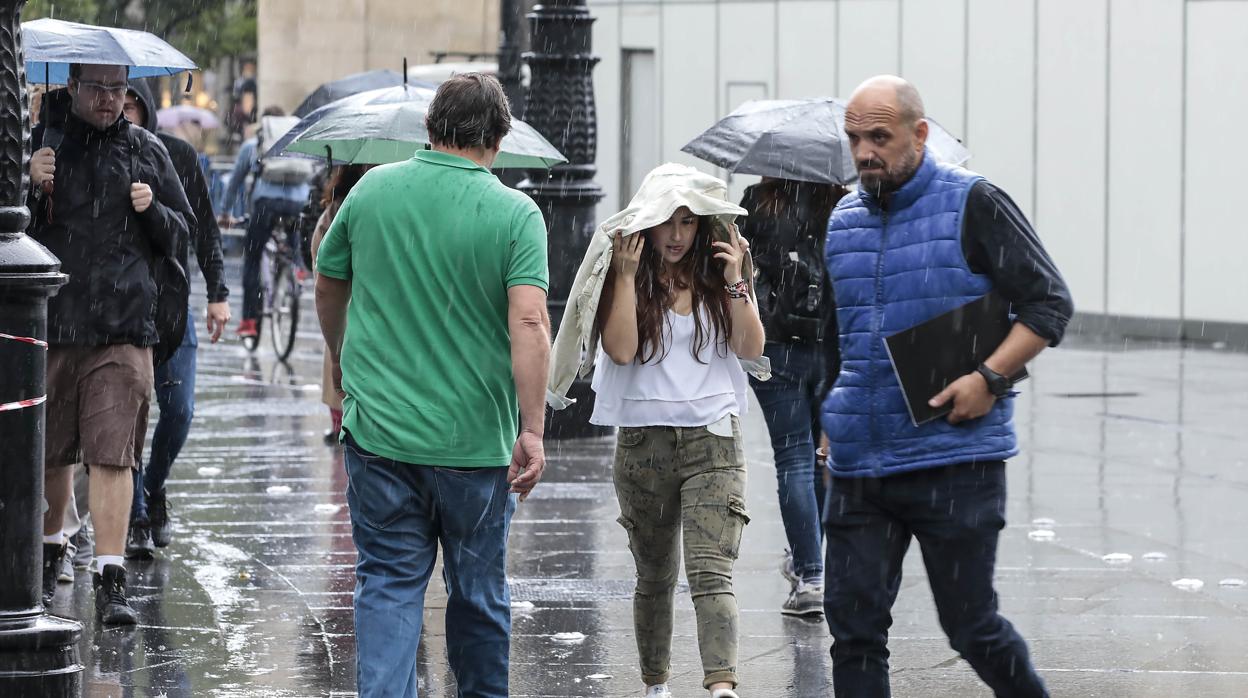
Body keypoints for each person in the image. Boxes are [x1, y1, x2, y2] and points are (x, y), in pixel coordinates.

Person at [820, 75, 1073, 697]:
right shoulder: (842, 219)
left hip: (956, 460)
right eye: (854, 138)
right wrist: (828, 416)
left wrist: (989, 377)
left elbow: (1049, 304)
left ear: (920, 133)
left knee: (970, 625)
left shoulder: (975, 202)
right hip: (860, 468)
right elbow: (840, 336)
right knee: (853, 633)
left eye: (879, 136)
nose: (863, 152)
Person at [314, 73, 550, 698]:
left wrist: (338, 357)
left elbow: (328, 280)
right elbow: (528, 319)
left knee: (389, 584)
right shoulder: (516, 214)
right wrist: (532, 427)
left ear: (429, 129)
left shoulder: (372, 193)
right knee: (477, 595)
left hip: (383, 436)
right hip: (476, 444)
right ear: (497, 139)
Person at [586, 164, 765, 698]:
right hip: (645, 442)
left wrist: (737, 283)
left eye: (689, 221)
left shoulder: (720, 274)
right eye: (669, 221)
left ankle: (722, 687)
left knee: (712, 572)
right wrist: (622, 276)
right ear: (650, 223)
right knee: (656, 577)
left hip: (715, 439)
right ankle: (656, 684)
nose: (679, 234)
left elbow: (751, 349)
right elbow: (620, 350)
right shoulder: (627, 272)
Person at [29, 63, 193, 625]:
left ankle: (110, 575)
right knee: (51, 451)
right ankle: (52, 551)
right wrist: (30, 182)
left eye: (118, 88)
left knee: (112, 451)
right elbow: (13, 233)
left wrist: (153, 210)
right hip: (53, 323)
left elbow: (181, 236)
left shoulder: (147, 150)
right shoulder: (41, 145)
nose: (108, 99)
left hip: (124, 326)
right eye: (96, 87)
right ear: (71, 87)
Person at [120, 80, 232, 558]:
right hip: (121, 312)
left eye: (130, 105)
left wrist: (218, 292)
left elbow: (203, 225)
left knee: (180, 411)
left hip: (171, 305)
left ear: (145, 108)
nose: (122, 114)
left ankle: (152, 487)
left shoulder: (177, 157)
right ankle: (137, 516)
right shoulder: (95, 157)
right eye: (115, 105)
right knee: (128, 420)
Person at [738, 177, 847, 617]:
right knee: (823, 457)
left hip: (776, 341)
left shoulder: (760, 201)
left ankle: (810, 575)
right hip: (832, 342)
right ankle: (815, 562)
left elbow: (739, 267)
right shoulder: (842, 204)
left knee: (793, 457)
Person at [220, 105, 312, 340]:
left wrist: (225, 212)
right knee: (292, 242)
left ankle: (250, 320)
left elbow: (235, 182)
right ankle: (296, 269)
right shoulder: (297, 141)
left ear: (264, 124)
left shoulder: (254, 144)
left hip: (266, 205)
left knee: (252, 259)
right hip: (296, 204)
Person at [309, 164, 371, 444]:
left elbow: (321, 263)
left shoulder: (339, 207)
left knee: (336, 350)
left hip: (345, 299)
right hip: (375, 302)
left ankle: (341, 423)